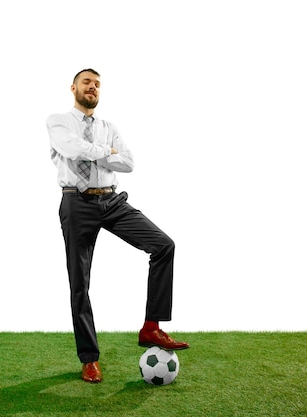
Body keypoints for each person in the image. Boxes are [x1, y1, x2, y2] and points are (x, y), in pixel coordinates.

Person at [46, 68, 189, 383]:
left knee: (163, 245)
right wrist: (106, 153)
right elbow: (71, 149)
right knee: (80, 283)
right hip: (76, 203)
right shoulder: (58, 121)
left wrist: (101, 154)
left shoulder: (109, 127)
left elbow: (129, 163)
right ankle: (89, 358)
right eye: (87, 82)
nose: (93, 88)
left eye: (97, 84)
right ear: (73, 88)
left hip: (112, 201)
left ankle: (151, 327)